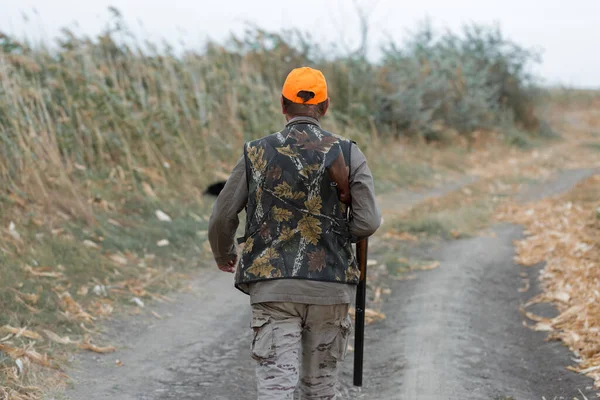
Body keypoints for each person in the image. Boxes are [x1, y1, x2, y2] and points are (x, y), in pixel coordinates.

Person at [208, 66, 381, 399]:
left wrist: (225, 253)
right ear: (325, 106)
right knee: (320, 389)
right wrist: (337, 236)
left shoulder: (256, 152)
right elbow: (368, 221)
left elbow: (222, 216)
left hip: (273, 292)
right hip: (330, 289)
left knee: (277, 389)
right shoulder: (348, 152)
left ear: (283, 105)